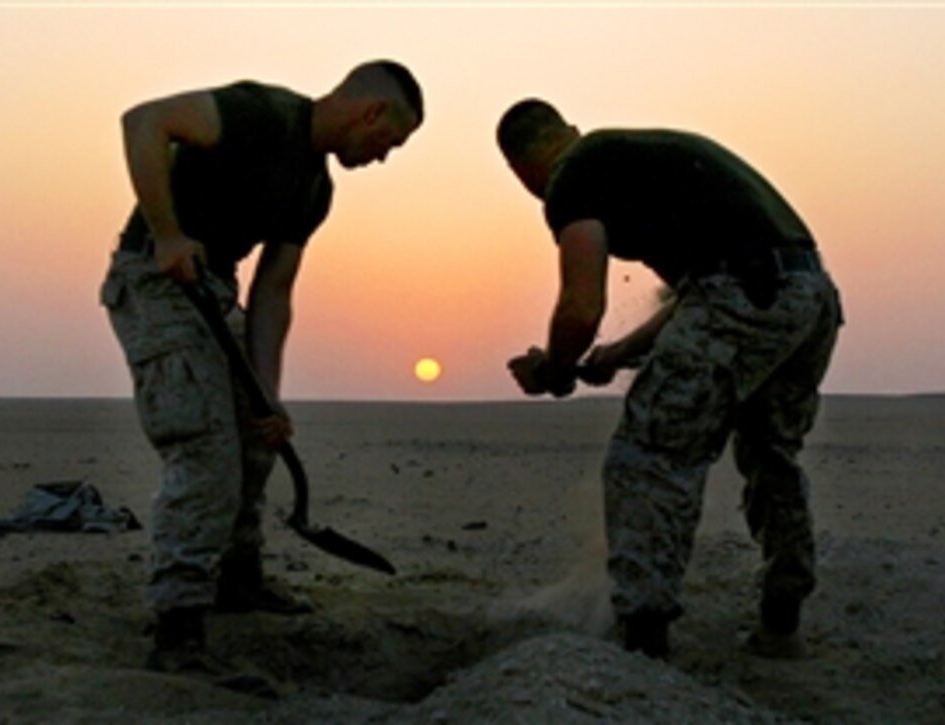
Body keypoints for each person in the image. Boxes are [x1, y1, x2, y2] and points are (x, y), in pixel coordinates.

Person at [100, 60, 423, 672]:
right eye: (390, 143)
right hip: (154, 278)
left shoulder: (316, 191)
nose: (383, 157)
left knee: (256, 438)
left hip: (216, 291)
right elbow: (144, 120)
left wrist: (267, 396)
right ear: (372, 113)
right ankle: (179, 630)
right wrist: (168, 233)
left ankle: (237, 579)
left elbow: (274, 290)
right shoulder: (262, 114)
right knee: (205, 448)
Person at [497, 99, 842, 660]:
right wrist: (621, 353)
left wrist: (554, 370)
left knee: (650, 457)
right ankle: (782, 623)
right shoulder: (628, 154)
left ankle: (644, 639)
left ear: (522, 169)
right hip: (810, 297)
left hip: (747, 293)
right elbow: (705, 288)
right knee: (770, 454)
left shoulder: (570, 176)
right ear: (569, 128)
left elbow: (581, 308)